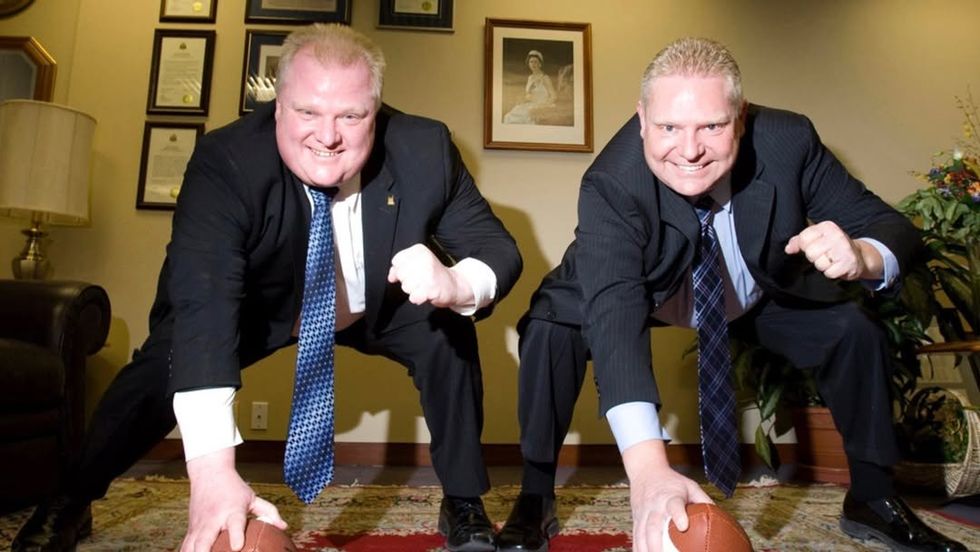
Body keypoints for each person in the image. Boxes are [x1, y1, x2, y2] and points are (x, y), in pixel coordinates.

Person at [13, 24, 521, 552]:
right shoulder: (226, 160)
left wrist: (456, 280)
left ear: (376, 110)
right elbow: (203, 309)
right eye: (307, 112)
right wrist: (211, 475)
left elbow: (500, 249)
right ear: (278, 106)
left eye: (351, 115)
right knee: (162, 368)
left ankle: (463, 501)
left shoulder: (425, 148)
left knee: (448, 333)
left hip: (375, 300)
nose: (328, 136)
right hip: (256, 305)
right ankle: (70, 500)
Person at [495, 37, 967, 552]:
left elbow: (888, 225)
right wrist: (650, 472)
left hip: (751, 289)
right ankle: (535, 497)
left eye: (712, 126)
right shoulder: (612, 183)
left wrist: (863, 254)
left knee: (854, 330)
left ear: (740, 116)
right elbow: (615, 321)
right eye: (668, 127)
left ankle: (873, 498)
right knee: (549, 329)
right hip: (642, 285)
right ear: (641, 117)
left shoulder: (790, 140)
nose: (689, 149)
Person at [503, 50, 557, 125]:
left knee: (527, 117)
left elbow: (554, 96)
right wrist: (523, 99)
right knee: (508, 116)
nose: (533, 64)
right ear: (528, 64)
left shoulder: (545, 78)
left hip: (542, 105)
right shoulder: (530, 78)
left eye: (535, 62)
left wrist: (544, 105)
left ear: (540, 64)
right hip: (530, 104)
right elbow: (528, 94)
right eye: (531, 62)